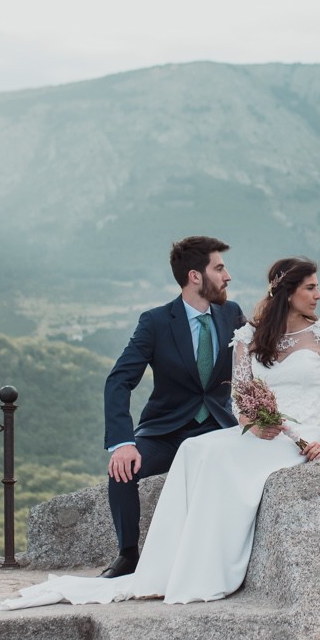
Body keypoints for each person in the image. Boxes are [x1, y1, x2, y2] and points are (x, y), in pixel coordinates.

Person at [0, 256, 320, 608]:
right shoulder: (249, 335)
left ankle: (205, 569)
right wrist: (254, 423)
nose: (318, 294)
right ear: (288, 293)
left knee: (217, 459)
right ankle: (161, 565)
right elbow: (241, 398)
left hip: (300, 434)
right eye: (310, 287)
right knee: (193, 451)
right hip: (258, 431)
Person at [93, 235, 245, 579]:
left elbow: (261, 363)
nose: (227, 276)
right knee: (122, 470)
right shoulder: (156, 322)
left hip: (218, 428)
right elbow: (119, 380)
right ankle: (128, 555)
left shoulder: (232, 314)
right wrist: (122, 442)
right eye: (219, 268)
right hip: (167, 431)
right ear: (195, 276)